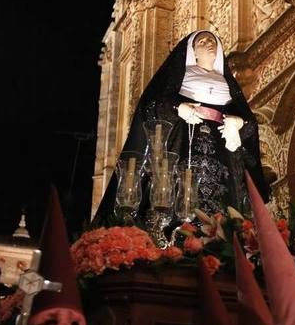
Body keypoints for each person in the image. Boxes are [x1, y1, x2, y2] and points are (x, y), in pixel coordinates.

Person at [94, 30, 269, 225]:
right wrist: (178, 107)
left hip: (222, 153)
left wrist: (237, 123)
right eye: (202, 41)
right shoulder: (180, 78)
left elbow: (249, 122)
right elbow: (152, 105)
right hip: (184, 144)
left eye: (213, 41)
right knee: (179, 193)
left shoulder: (228, 85)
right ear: (192, 52)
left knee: (225, 205)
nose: (209, 43)